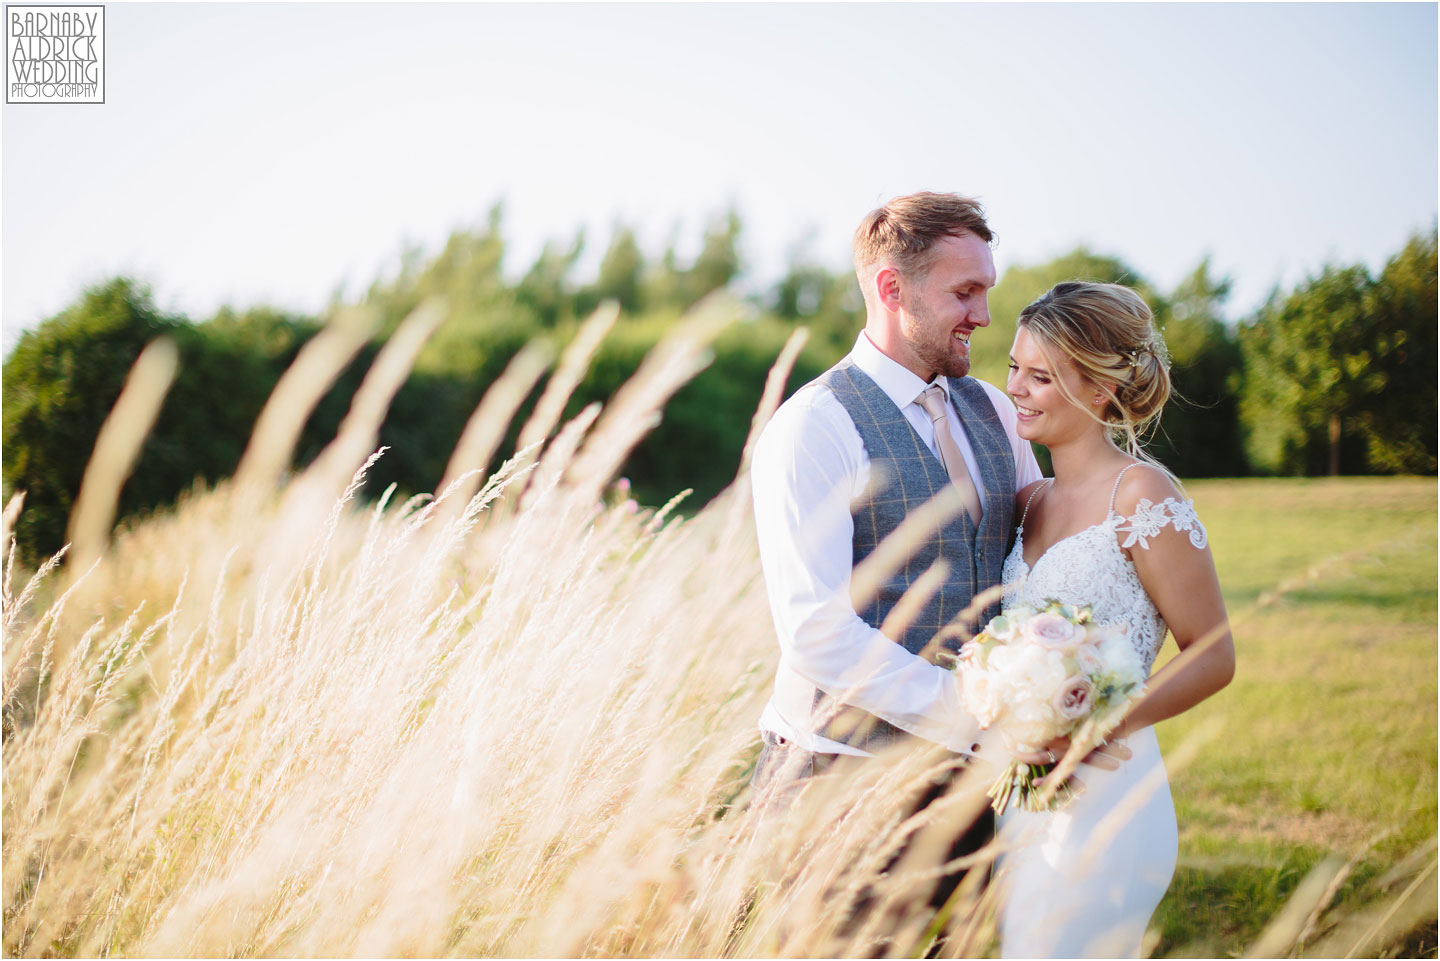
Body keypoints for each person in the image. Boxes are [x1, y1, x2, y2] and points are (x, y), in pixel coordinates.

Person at [748, 192, 1053, 927]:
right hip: (841, 785)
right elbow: (815, 628)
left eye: (985, 288)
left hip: (972, 784)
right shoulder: (815, 427)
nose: (984, 313)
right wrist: (972, 715)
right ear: (892, 288)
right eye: (964, 291)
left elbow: (1031, 550)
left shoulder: (994, 409)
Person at [996, 281, 1236, 958]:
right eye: (1014, 366)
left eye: (1040, 375)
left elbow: (1213, 652)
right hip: (1026, 793)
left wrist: (1092, 727)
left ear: (1101, 388)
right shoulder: (1030, 500)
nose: (1017, 386)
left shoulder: (1141, 494)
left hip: (1109, 787)